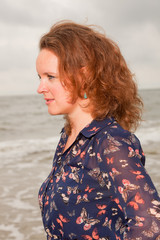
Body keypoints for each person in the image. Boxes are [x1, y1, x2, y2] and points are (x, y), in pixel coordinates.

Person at [36, 21, 160, 240]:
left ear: (83, 76)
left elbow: (150, 224)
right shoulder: (70, 138)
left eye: (50, 77)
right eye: (40, 77)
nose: (40, 88)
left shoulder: (110, 142)